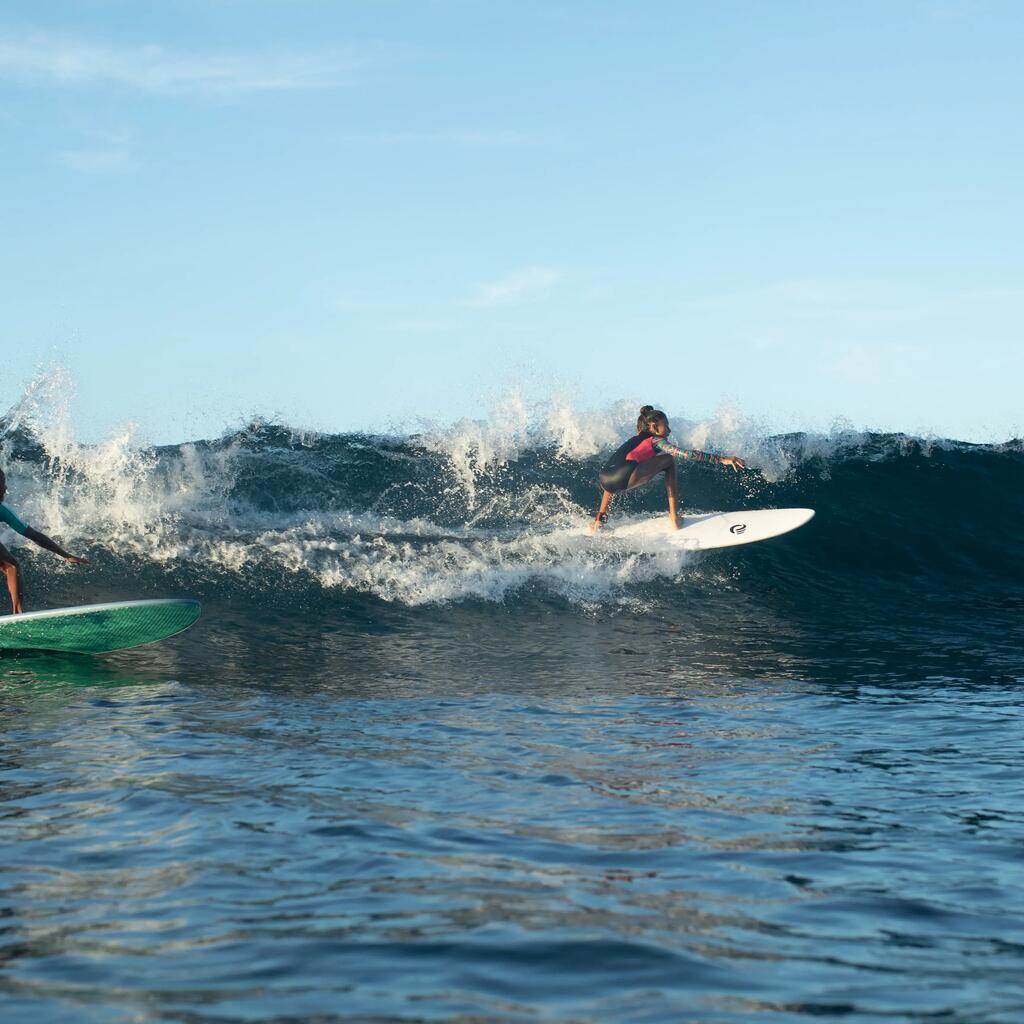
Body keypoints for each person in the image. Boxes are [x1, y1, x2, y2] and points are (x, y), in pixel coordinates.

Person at [593, 406, 746, 531]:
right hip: (625, 476)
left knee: (619, 470)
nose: (669, 431)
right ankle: (674, 518)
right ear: (653, 427)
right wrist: (721, 459)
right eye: (666, 426)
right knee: (669, 460)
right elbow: (685, 454)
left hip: (605, 479)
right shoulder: (656, 440)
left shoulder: (634, 440)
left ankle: (599, 520)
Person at [0, 468, 89, 614]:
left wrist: (66, 555)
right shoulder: (2, 510)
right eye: (2, 483)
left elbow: (36, 537)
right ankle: (17, 613)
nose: (5, 488)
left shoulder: (2, 510)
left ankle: (17, 614)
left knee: (11, 566)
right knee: (11, 567)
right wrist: (66, 555)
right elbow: (36, 536)